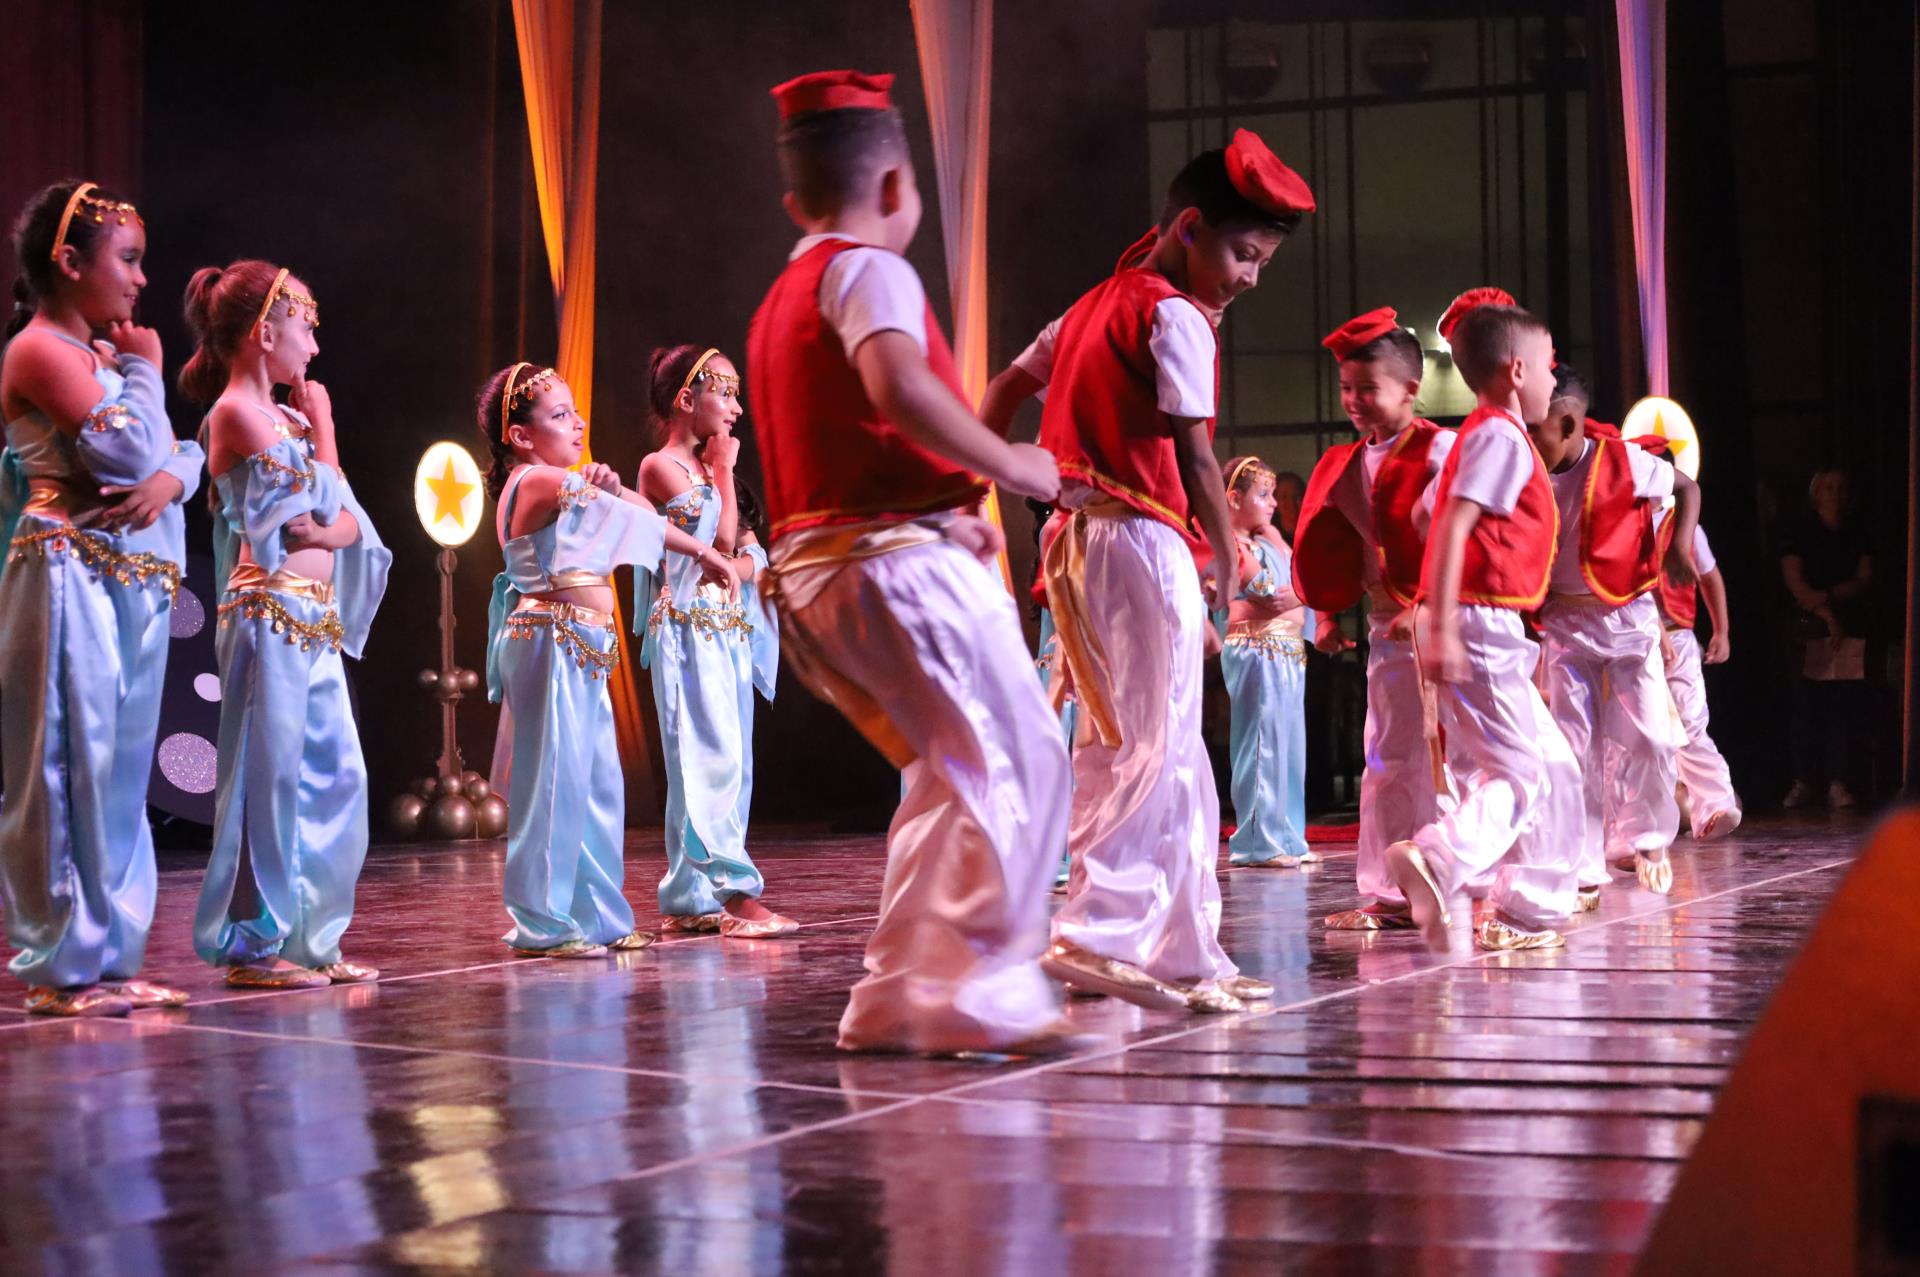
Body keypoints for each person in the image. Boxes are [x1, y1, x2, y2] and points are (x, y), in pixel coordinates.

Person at [747, 70, 1071, 1054]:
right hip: (877, 559)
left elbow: (852, 434)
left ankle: (898, 990)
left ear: (792, 198)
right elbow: (897, 386)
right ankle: (974, 989)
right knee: (1020, 754)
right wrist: (1008, 463)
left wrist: (943, 509)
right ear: (895, 186)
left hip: (820, 567)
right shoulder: (870, 268)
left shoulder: (783, 297)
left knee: (951, 765)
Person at [1036, 128, 1313, 1012]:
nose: (1250, 278)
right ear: (1189, 228)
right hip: (1140, 539)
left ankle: (1183, 948)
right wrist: (1227, 558)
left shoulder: (1091, 305)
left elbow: (1006, 387)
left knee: (1133, 744)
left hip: (1078, 540)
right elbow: (1197, 455)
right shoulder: (1174, 314)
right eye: (1244, 254)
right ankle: (1100, 932)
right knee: (1156, 744)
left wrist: (980, 490)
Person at [0, 180, 205, 1016]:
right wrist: (148, 373)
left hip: (123, 579)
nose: (141, 279)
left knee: (119, 771)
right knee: (64, 764)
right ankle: (62, 962)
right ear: (69, 261)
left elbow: (176, 455)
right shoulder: (40, 350)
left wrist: (169, 476)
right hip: (65, 574)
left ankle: (112, 957)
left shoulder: (103, 363)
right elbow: (123, 453)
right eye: (128, 259)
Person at [480, 362, 735, 959]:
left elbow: (640, 513)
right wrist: (705, 552)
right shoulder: (534, 481)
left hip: (577, 643)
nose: (578, 423)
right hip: (549, 639)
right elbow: (639, 521)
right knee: (554, 782)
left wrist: (614, 487)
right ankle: (542, 921)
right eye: (560, 415)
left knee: (596, 783)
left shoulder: (559, 481)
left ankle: (596, 917)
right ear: (520, 436)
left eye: (575, 411)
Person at [186, 261, 392, 986]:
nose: (314, 344)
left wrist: (325, 518)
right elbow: (325, 505)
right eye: (306, 326)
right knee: (268, 780)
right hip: (267, 612)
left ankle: (311, 939)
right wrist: (325, 430)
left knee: (336, 776)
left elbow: (342, 523)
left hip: (313, 617)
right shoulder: (236, 414)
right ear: (264, 334)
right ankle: (254, 943)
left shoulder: (287, 423)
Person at [1386, 293, 1584, 952]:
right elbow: (1449, 522)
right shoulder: (1499, 434)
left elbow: (1427, 514)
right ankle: (1438, 857)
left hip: (1481, 619)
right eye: (1548, 366)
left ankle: (1526, 906)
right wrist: (1442, 619)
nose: (1555, 378)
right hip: (1478, 620)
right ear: (1517, 371)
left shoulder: (1486, 436)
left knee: (1551, 764)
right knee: (1518, 775)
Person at [1291, 306, 1454, 930]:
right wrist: (1327, 615)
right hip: (1387, 628)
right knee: (1386, 757)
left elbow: (1464, 538)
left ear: (1410, 388)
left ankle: (1460, 874)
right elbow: (1331, 545)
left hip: (1447, 626)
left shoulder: (1443, 451)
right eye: (1346, 388)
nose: (1355, 400)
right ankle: (1388, 890)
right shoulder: (1344, 464)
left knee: (1453, 757)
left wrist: (1433, 607)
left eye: (1368, 388)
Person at [635, 345, 796, 938]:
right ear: (686, 398)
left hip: (725, 628)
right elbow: (724, 541)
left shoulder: (709, 473)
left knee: (731, 760)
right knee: (709, 758)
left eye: (736, 394)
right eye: (724, 392)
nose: (736, 408)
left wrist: (731, 560)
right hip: (687, 627)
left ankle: (689, 895)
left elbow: (752, 557)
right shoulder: (661, 468)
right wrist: (724, 472)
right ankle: (736, 894)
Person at [1527, 366, 1698, 901]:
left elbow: (1687, 487)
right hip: (1565, 623)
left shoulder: (1622, 461)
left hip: (1626, 618)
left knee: (1648, 737)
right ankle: (1582, 865)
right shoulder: (1526, 472)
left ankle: (1648, 838)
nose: (1527, 438)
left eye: (1535, 428)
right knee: (1573, 746)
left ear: (1568, 424)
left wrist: (1679, 547)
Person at [1218, 456, 1313, 868]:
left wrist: (1277, 540)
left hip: (1287, 650)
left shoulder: (1265, 542)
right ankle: (1258, 842)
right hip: (1257, 650)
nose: (1273, 503)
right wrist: (1299, 593)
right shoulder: (1232, 544)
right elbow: (1269, 592)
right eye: (1263, 495)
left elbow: (1300, 582)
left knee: (1290, 748)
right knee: (1262, 745)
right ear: (1234, 499)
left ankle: (1288, 837)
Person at [1780, 467, 1871, 809]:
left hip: (1849, 626)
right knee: (1807, 705)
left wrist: (1831, 599)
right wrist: (1827, 617)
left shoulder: (1857, 532)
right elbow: (1796, 582)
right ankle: (1804, 781)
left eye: (1840, 487)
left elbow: (1863, 579)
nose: (1834, 494)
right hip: (1810, 627)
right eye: (1828, 487)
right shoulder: (1799, 533)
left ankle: (1839, 781)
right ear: (1816, 494)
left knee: (1843, 706)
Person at [1652, 505, 1742, 837]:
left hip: (1678, 636)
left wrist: (1721, 631)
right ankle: (1650, 820)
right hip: (1633, 635)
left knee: (1690, 723)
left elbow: (1709, 576)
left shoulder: (1685, 527)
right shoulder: (1620, 521)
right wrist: (1654, 632)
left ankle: (1716, 806)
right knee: (1647, 735)